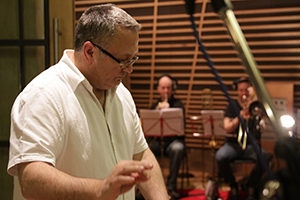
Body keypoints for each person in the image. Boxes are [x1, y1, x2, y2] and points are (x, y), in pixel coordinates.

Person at [7, 4, 169, 200]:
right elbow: (31, 179)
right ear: (90, 52)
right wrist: (99, 189)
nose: (129, 70)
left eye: (133, 59)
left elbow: (141, 155)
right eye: (123, 60)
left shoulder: (122, 94)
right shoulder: (42, 95)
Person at [215, 77, 270, 200]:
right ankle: (233, 185)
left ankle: (251, 185)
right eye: (241, 90)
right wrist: (239, 117)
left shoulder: (256, 107)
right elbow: (227, 128)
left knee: (265, 157)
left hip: (251, 145)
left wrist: (257, 117)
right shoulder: (231, 106)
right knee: (220, 156)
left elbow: (261, 129)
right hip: (233, 145)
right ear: (237, 91)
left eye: (246, 90)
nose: (244, 93)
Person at [148, 74, 186, 199]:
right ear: (158, 89)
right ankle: (148, 186)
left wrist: (170, 111)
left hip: (174, 141)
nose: (166, 91)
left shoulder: (178, 105)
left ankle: (170, 187)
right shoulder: (154, 105)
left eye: (168, 88)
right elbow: (149, 128)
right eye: (163, 88)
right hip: (158, 141)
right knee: (144, 150)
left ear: (172, 89)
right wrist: (157, 111)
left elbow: (181, 128)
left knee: (177, 149)